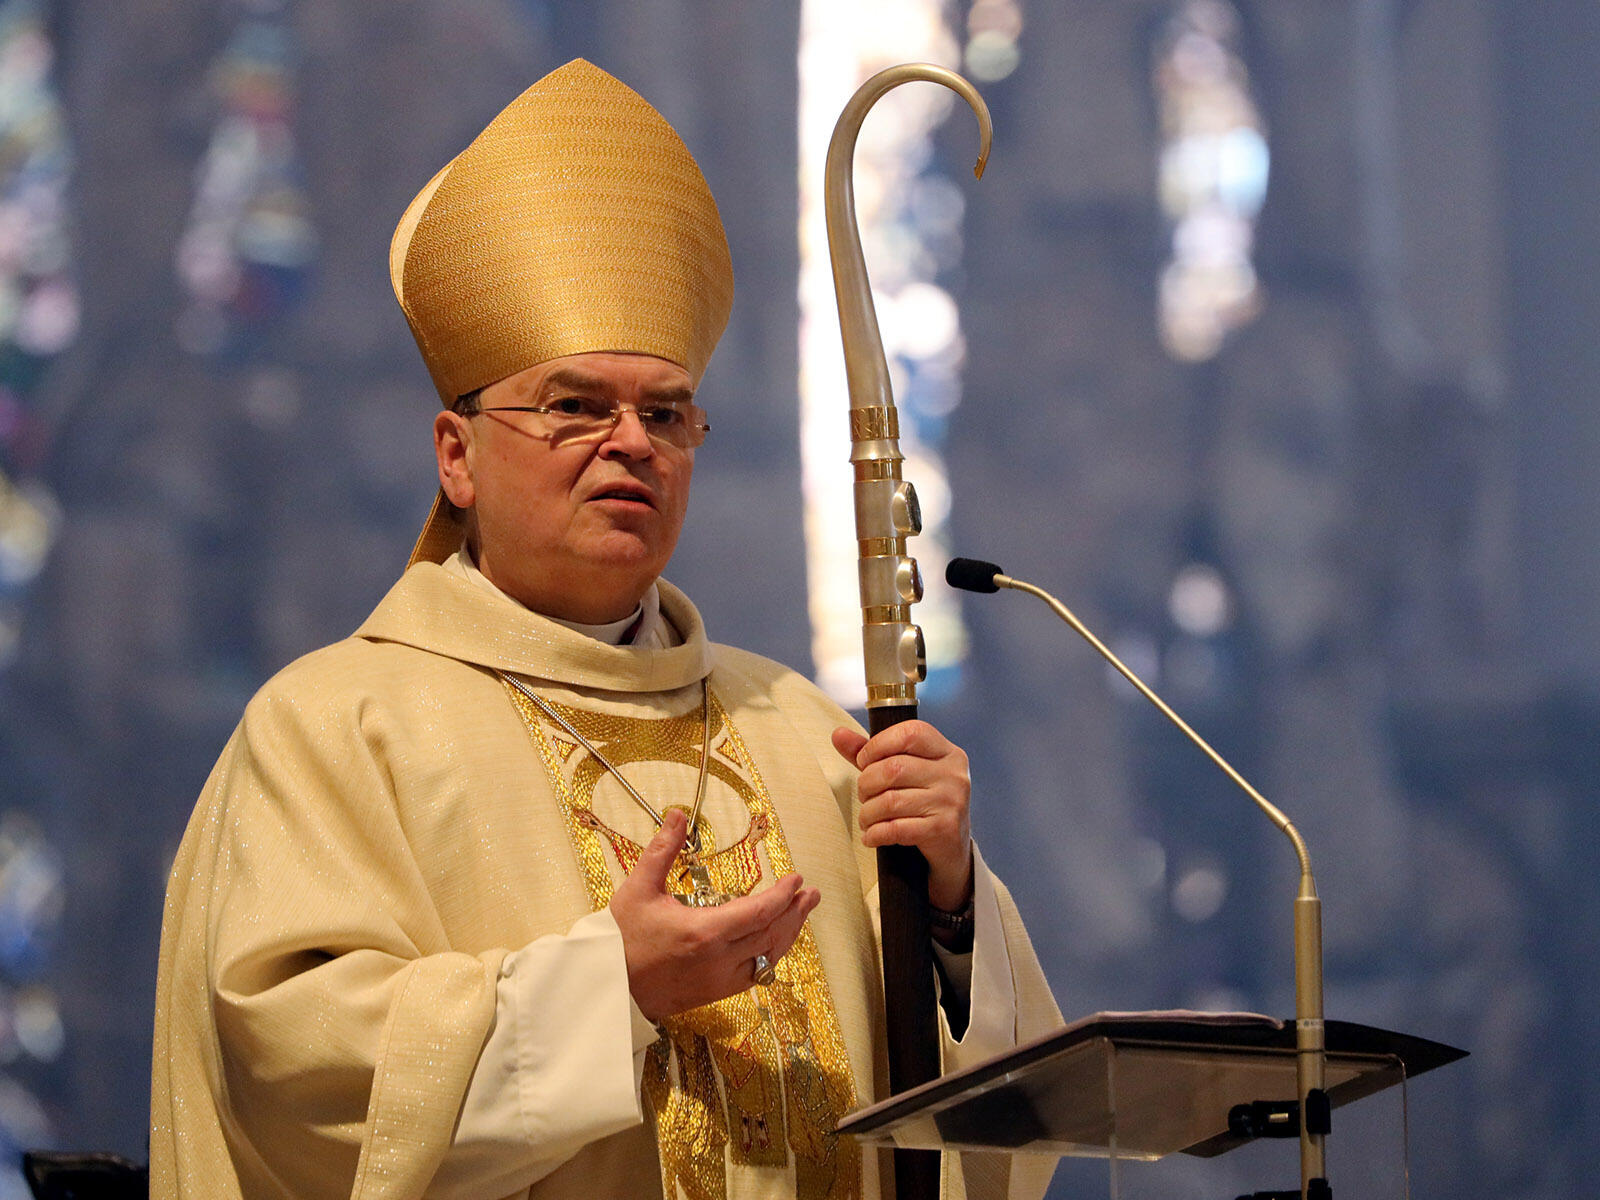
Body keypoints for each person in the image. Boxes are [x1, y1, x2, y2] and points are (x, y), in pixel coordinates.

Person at [150, 59, 1060, 1200]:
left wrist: (952, 900)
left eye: (666, 413)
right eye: (577, 406)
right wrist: (608, 993)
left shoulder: (802, 730)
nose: (631, 442)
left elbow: (992, 1125)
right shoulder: (337, 726)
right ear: (456, 455)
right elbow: (293, 1076)